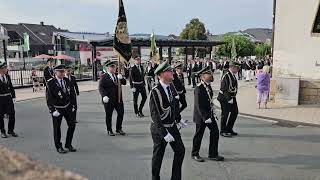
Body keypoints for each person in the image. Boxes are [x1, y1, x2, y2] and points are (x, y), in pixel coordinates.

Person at [149, 61, 187, 180]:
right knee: (158, 155)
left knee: (180, 150)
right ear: (161, 75)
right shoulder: (155, 91)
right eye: (169, 71)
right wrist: (164, 133)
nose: (172, 73)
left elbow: (174, 105)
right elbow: (155, 115)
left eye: (171, 70)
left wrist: (179, 119)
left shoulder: (171, 87)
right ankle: (155, 178)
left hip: (172, 126)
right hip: (160, 129)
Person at [191, 66, 224, 162]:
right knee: (199, 135)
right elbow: (199, 105)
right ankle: (195, 154)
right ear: (202, 76)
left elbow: (209, 100)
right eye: (208, 74)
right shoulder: (199, 88)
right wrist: (205, 117)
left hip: (209, 115)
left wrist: (211, 114)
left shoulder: (208, 85)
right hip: (201, 117)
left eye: (210, 74)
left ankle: (213, 154)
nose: (210, 75)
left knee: (215, 132)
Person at [46, 65, 77, 154]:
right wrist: (52, 110)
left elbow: (72, 94)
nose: (63, 73)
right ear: (55, 72)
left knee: (72, 125)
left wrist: (73, 105)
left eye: (63, 71)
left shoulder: (67, 80)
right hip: (57, 108)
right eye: (61, 72)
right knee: (57, 128)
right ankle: (58, 146)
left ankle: (68, 144)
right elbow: (49, 98)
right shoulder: (51, 83)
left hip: (67, 107)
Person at [99, 60, 127, 136]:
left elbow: (124, 83)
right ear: (108, 68)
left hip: (118, 99)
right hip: (109, 99)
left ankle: (118, 128)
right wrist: (104, 95)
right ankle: (109, 130)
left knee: (121, 113)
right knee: (109, 115)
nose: (114, 68)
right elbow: (101, 87)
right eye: (112, 67)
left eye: (114, 67)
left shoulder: (118, 75)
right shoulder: (104, 76)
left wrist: (121, 78)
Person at [217, 61, 240, 138]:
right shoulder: (226, 75)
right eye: (237, 68)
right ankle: (223, 130)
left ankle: (229, 129)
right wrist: (229, 98)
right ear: (232, 67)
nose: (238, 69)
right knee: (225, 114)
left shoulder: (232, 75)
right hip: (225, 98)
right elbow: (224, 88)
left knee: (235, 112)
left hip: (232, 97)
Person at [0, 61, 18, 138]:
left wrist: (13, 97)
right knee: (0, 116)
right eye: (4, 68)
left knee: (12, 114)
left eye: (6, 68)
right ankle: (3, 131)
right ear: (1, 69)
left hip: (8, 98)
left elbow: (11, 87)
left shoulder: (7, 77)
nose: (6, 69)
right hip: (0, 98)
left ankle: (11, 130)